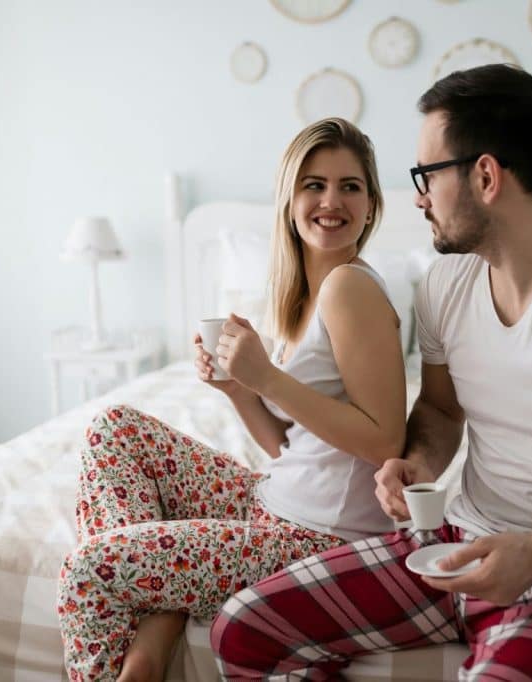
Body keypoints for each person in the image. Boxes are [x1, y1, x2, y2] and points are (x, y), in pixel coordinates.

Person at [210, 64, 532, 680]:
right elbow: (440, 410)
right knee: (245, 629)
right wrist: (419, 463)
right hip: (459, 542)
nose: (417, 197)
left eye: (426, 176)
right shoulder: (448, 282)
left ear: (485, 176)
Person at [56, 117, 407, 682]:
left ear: (372, 204)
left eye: (350, 186)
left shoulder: (351, 287)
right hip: (274, 502)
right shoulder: (304, 295)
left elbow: (384, 441)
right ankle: (161, 614)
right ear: (288, 198)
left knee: (89, 570)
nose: (331, 201)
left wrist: (267, 378)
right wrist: (239, 389)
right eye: (313, 184)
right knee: (116, 429)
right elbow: (291, 445)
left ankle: (139, 664)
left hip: (315, 540)